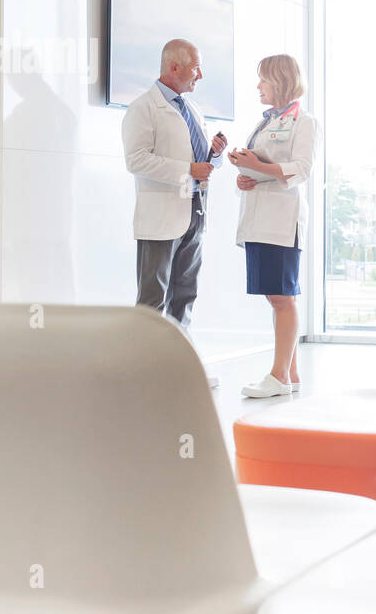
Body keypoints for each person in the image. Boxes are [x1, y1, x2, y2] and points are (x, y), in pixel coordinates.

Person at [122, 38, 227, 387]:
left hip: (194, 210)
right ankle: (142, 371)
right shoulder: (143, 108)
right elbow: (136, 160)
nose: (201, 74)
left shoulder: (191, 108)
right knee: (154, 298)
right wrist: (188, 169)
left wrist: (213, 154)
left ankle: (180, 368)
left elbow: (199, 163)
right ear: (174, 68)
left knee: (185, 294)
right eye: (196, 66)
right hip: (161, 216)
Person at [228, 54, 318, 398]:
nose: (258, 86)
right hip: (259, 217)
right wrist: (246, 176)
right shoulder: (266, 122)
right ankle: (290, 372)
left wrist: (259, 168)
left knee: (282, 297)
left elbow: (301, 169)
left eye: (263, 79)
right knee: (275, 296)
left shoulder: (304, 122)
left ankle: (278, 375)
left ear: (281, 81)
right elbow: (267, 167)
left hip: (282, 221)